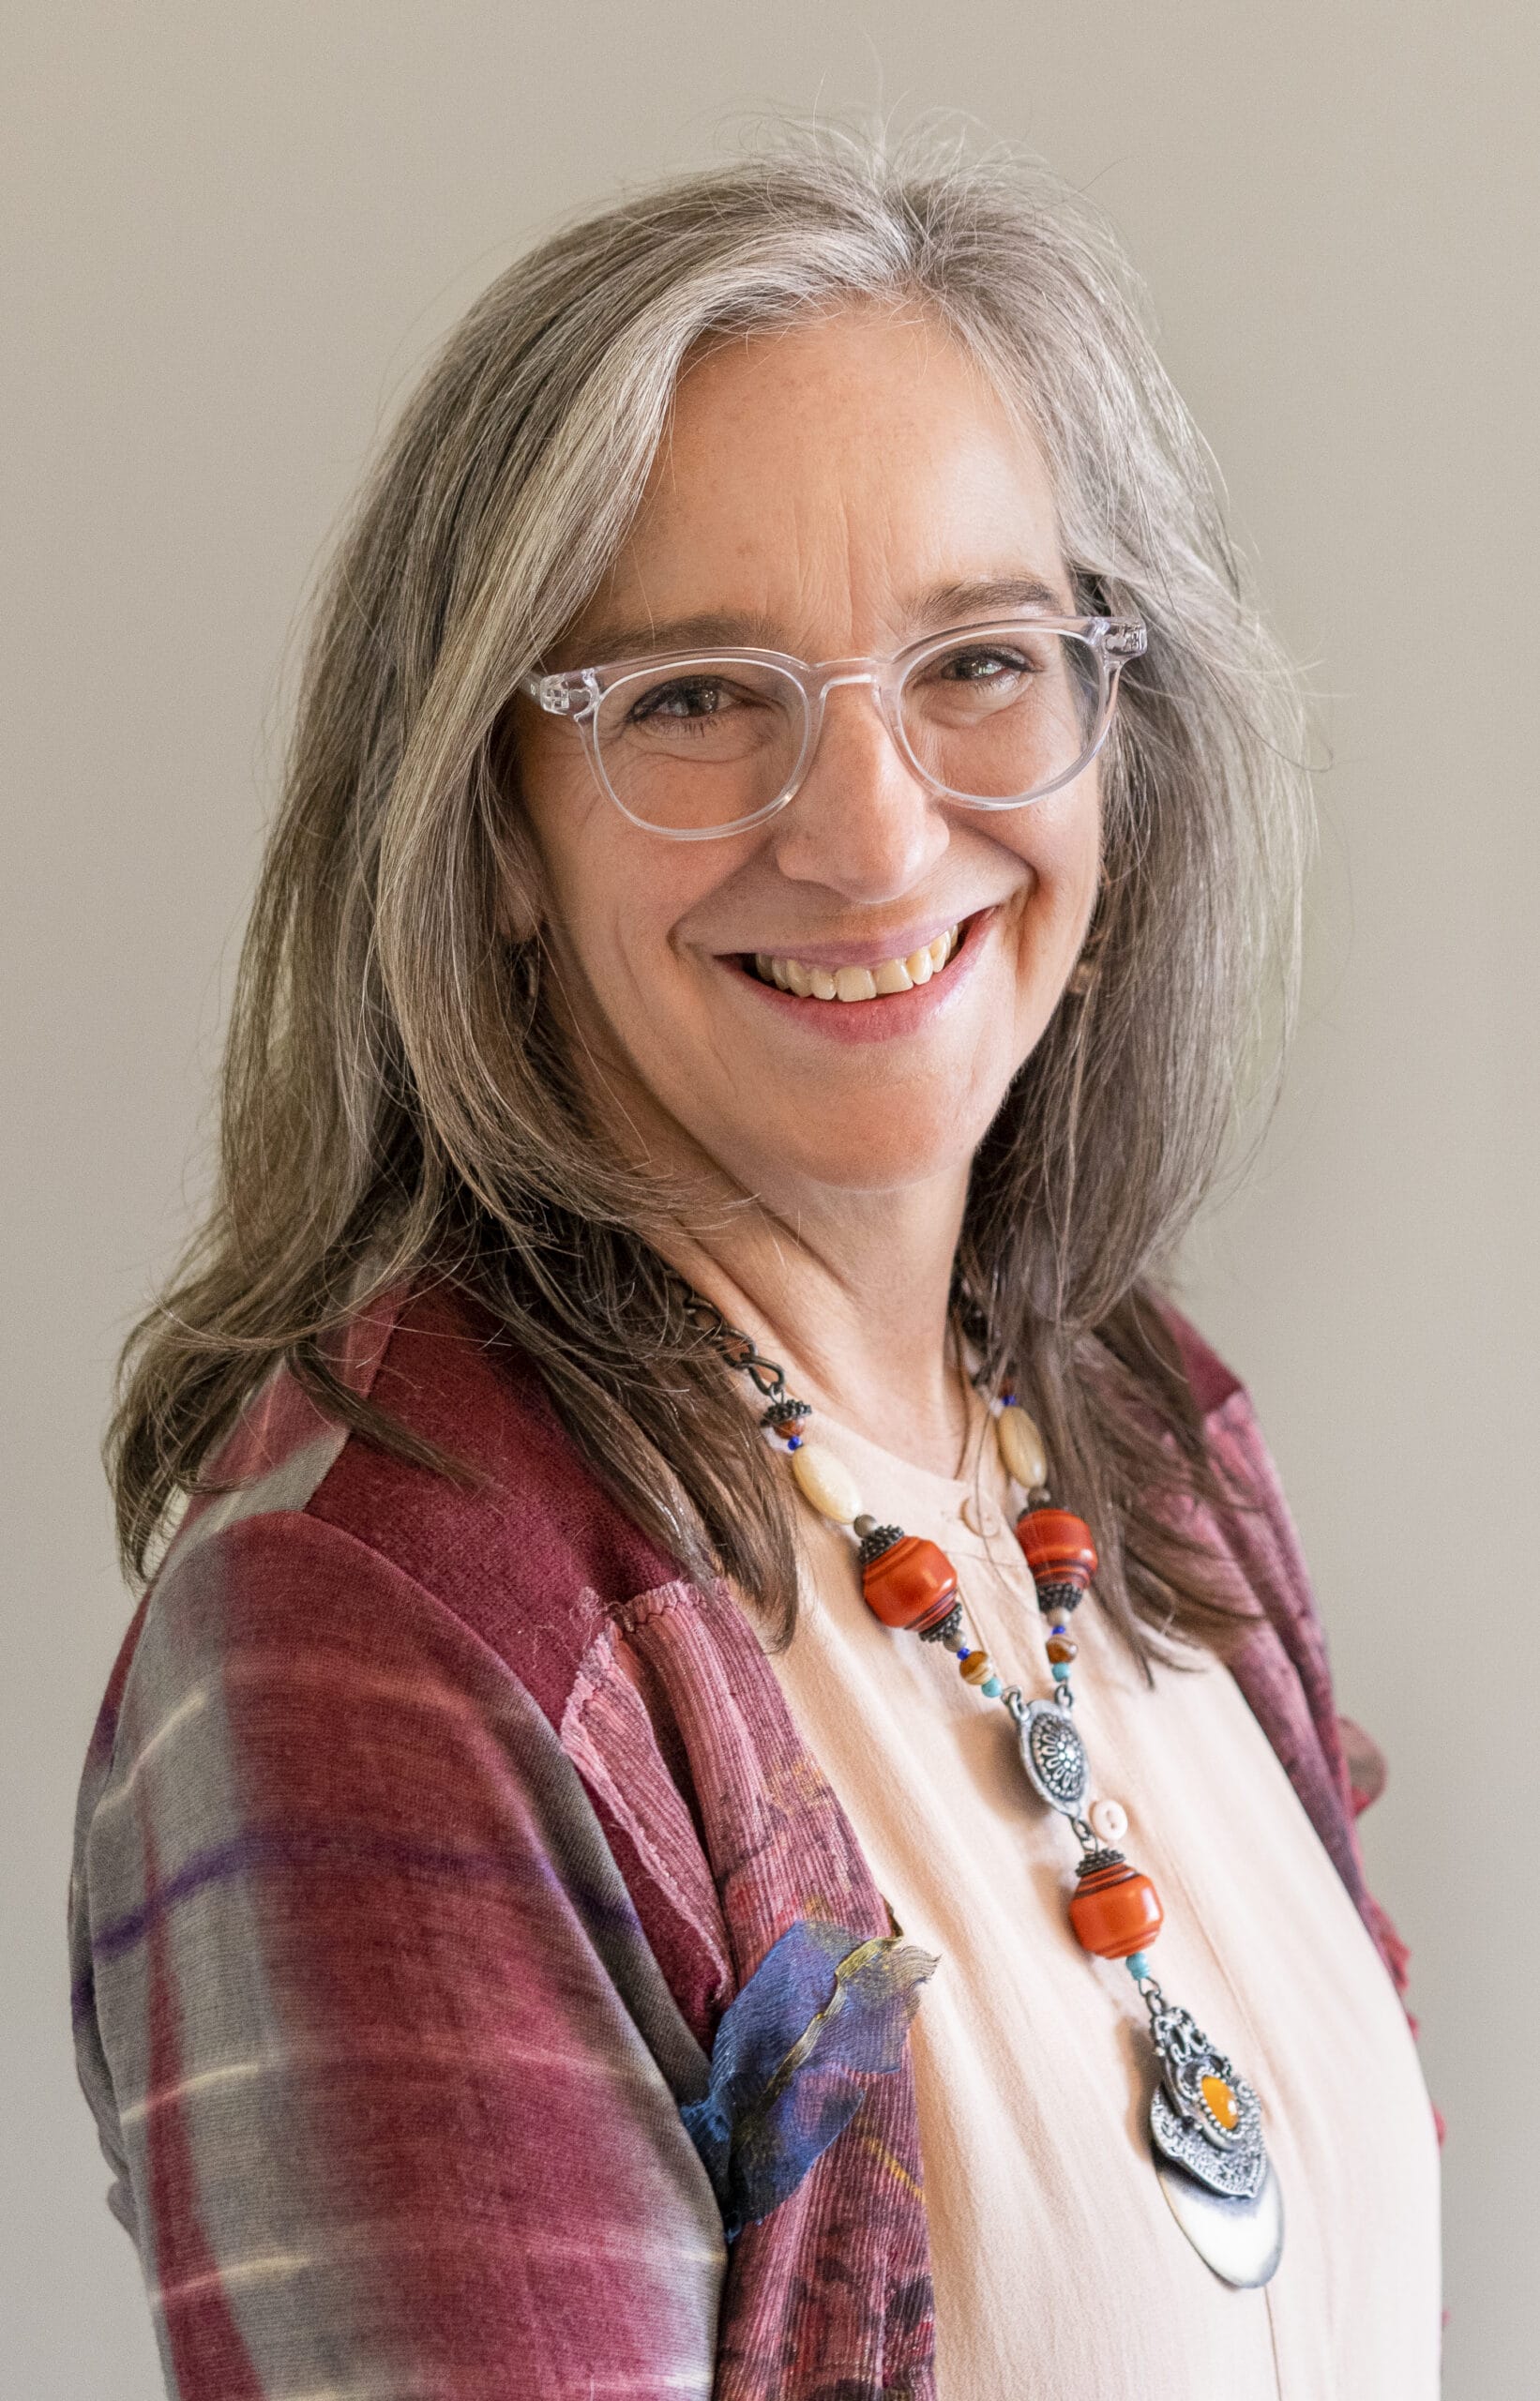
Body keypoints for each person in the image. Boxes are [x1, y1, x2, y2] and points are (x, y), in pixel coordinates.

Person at [68, 128, 1442, 2398]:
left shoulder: (1135, 1439)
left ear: (1120, 730)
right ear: (490, 829)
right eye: (695, 697)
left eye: (977, 659)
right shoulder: (376, 1628)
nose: (874, 827)